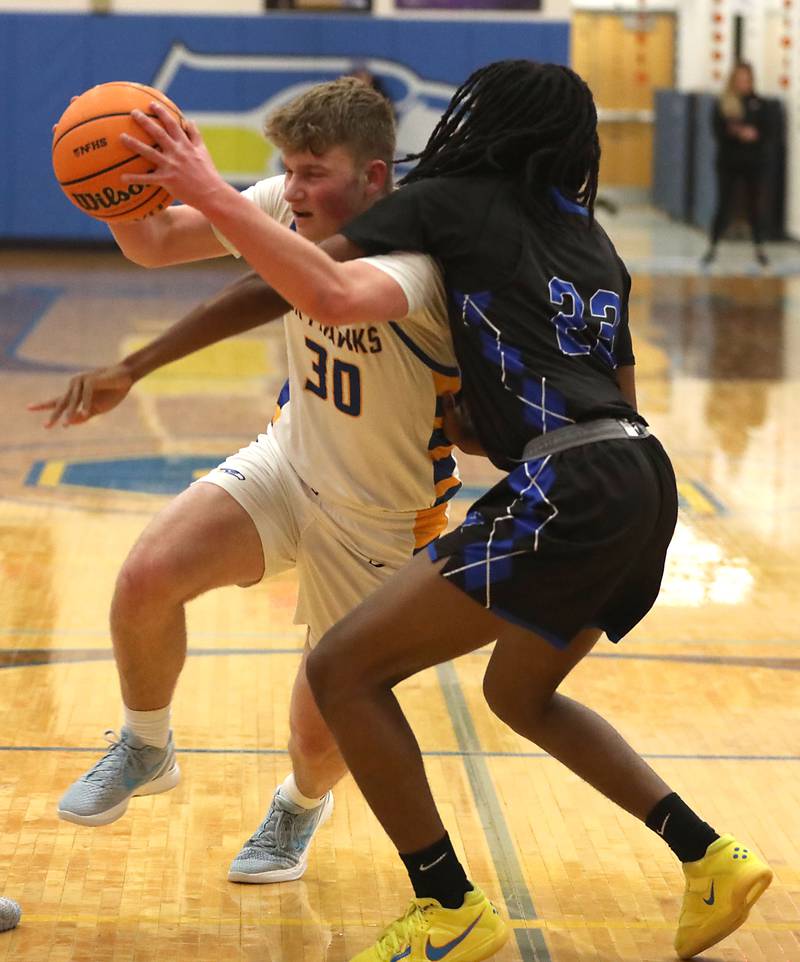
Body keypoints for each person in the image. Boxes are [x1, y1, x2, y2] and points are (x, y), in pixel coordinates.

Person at [120, 59, 773, 962]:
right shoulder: (593, 244)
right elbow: (610, 389)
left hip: (569, 484)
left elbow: (324, 290)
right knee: (520, 695)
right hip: (642, 476)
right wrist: (484, 406)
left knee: (343, 669)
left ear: (484, 122)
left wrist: (193, 223)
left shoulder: (459, 204)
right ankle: (711, 856)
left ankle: (448, 904)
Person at [31, 77, 462, 888]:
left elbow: (315, 291)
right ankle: (145, 743)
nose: (292, 190)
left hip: (382, 514)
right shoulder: (289, 202)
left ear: (373, 178)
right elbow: (155, 242)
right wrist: (122, 177)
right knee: (146, 576)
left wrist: (200, 193)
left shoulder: (417, 258)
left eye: (313, 172)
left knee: (317, 729)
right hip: (290, 459)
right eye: (287, 171)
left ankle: (299, 806)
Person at [702, 62, 772, 268]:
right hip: (729, 161)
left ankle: (759, 247)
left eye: (746, 79)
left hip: (753, 162)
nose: (743, 83)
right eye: (740, 79)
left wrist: (753, 135)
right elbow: (718, 130)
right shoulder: (724, 103)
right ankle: (713, 246)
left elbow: (768, 131)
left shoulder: (759, 103)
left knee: (755, 205)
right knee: (725, 204)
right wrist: (736, 133)